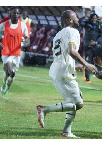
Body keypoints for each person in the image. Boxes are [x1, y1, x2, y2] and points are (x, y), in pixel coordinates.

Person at [35, 10, 98, 138]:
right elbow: (71, 51)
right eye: (76, 17)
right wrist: (87, 64)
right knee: (78, 103)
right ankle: (44, 109)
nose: (78, 19)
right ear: (70, 20)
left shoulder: (59, 34)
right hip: (63, 72)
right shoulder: (72, 31)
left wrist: (75, 66)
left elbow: (61, 55)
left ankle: (66, 131)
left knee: (74, 101)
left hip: (57, 69)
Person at [0, 7, 29, 99]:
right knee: (9, 71)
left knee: (12, 74)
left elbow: (27, 37)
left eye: (17, 13)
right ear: (10, 14)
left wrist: (25, 39)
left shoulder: (23, 25)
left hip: (16, 53)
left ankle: (6, 90)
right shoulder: (4, 24)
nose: (16, 15)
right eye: (14, 13)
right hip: (6, 52)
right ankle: (4, 85)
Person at [80, 7, 102, 83]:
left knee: (99, 62)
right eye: (93, 18)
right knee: (88, 61)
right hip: (88, 47)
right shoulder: (87, 25)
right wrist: (87, 15)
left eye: (95, 18)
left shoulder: (99, 27)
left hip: (97, 47)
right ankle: (87, 78)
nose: (94, 19)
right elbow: (81, 23)